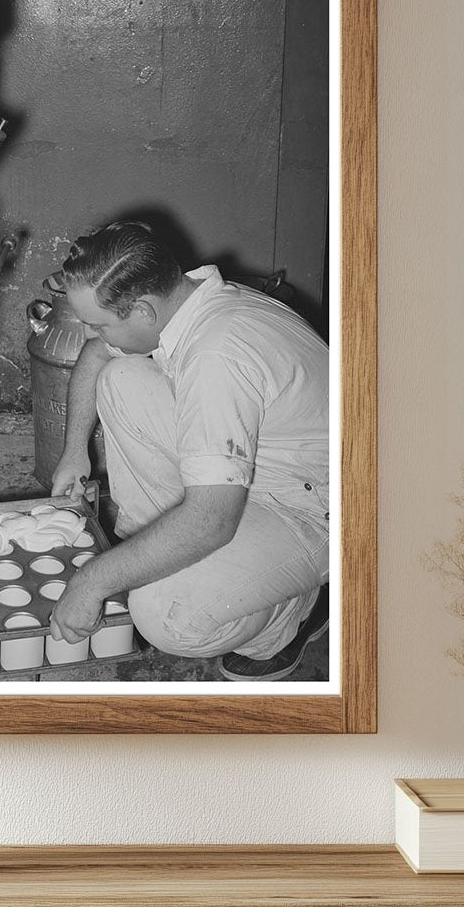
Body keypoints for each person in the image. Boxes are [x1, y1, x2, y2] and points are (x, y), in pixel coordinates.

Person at [48, 221, 329, 680]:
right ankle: (160, 557)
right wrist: (74, 450)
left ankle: (291, 615)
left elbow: (212, 521)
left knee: (164, 616)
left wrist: (91, 581)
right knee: (121, 378)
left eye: (98, 323)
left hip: (315, 507)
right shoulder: (194, 301)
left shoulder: (215, 357)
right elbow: (98, 354)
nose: (93, 333)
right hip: (268, 463)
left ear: (143, 310)